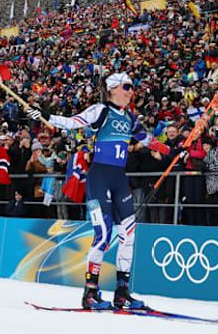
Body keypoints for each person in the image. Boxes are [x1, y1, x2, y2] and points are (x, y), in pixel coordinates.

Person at [27, 72, 147, 310]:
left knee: (129, 235)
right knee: (103, 234)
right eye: (126, 87)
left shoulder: (131, 117)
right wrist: (46, 115)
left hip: (120, 181)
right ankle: (90, 292)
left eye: (132, 87)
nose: (131, 91)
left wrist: (172, 149)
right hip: (99, 180)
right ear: (113, 89)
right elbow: (73, 122)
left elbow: (146, 138)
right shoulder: (100, 110)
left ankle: (123, 293)